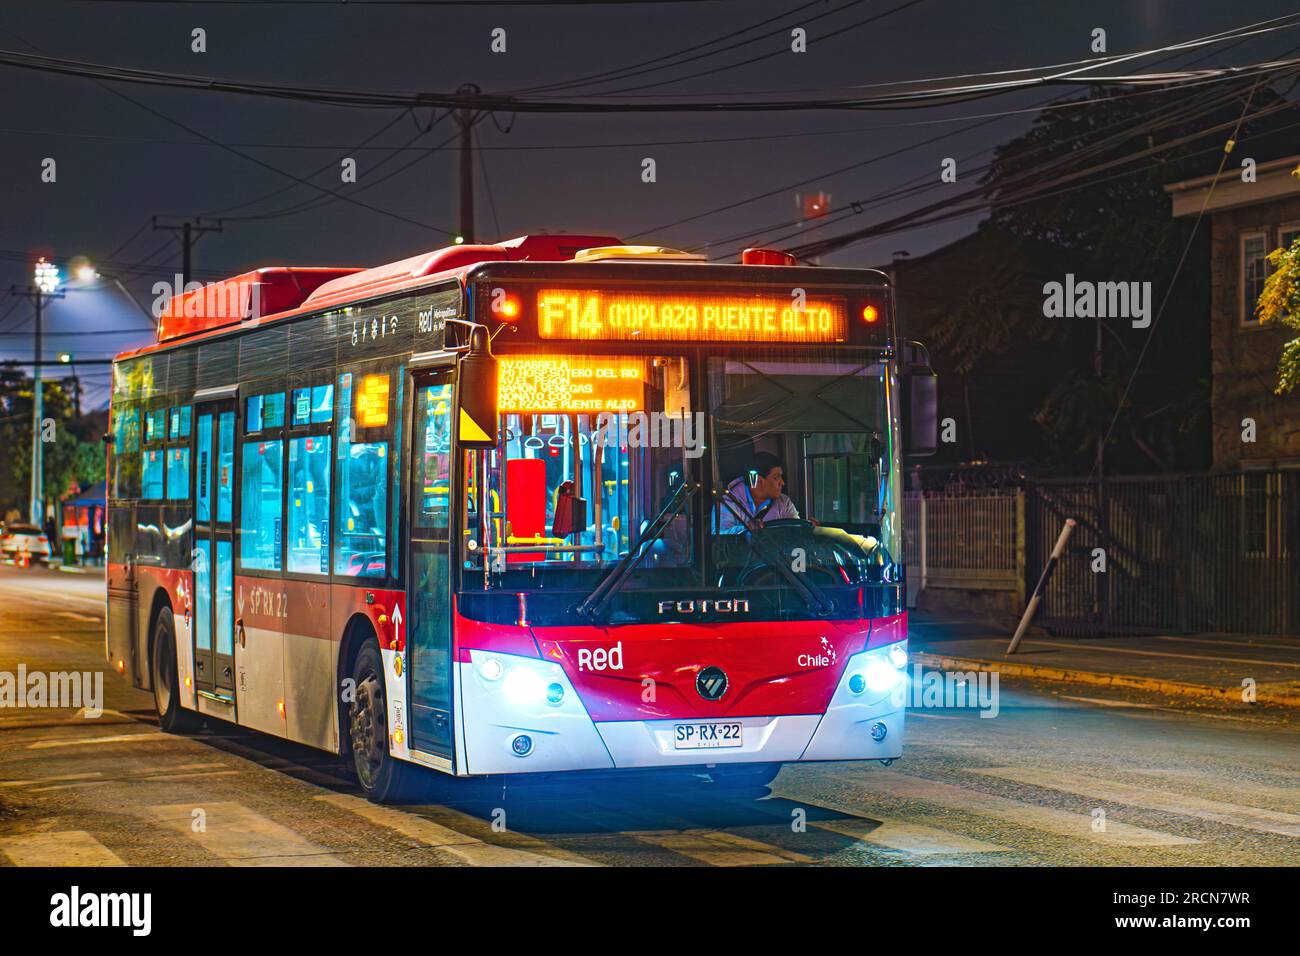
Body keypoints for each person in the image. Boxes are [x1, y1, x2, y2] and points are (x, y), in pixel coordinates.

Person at [717, 452, 800, 532]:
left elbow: (796, 532)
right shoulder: (728, 503)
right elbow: (720, 534)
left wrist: (810, 531)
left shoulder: (784, 503)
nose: (782, 483)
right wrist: (745, 529)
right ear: (759, 480)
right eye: (776, 478)